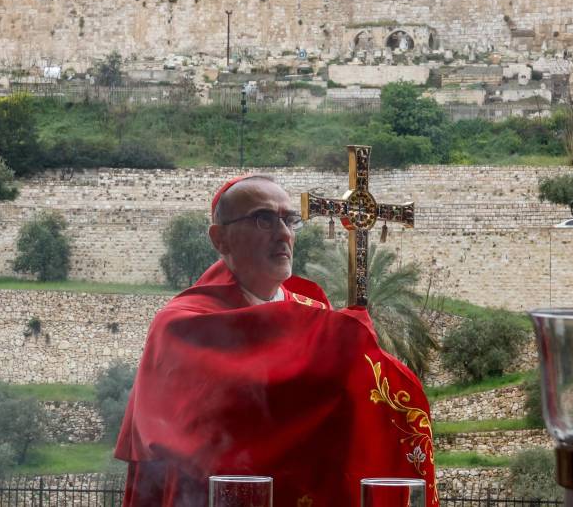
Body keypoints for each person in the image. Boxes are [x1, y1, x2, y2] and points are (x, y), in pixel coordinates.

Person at [115, 175, 438, 507]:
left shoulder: (316, 311)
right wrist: (341, 342)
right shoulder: (182, 324)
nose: (283, 234)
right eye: (263, 219)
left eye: (289, 220)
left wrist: (352, 353)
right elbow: (226, 422)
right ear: (220, 238)